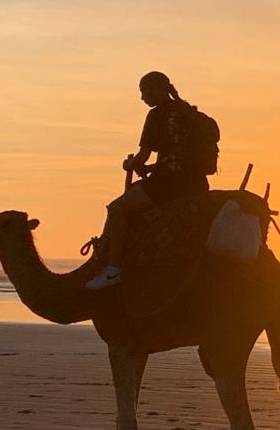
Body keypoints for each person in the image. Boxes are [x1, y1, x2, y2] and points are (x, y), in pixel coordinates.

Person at [86, 72, 216, 290]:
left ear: (157, 90)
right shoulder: (189, 113)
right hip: (197, 184)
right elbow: (180, 156)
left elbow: (142, 157)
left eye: (145, 92)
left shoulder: (157, 116)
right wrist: (153, 167)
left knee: (118, 209)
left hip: (167, 184)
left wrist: (130, 165)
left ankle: (113, 269)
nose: (143, 98)